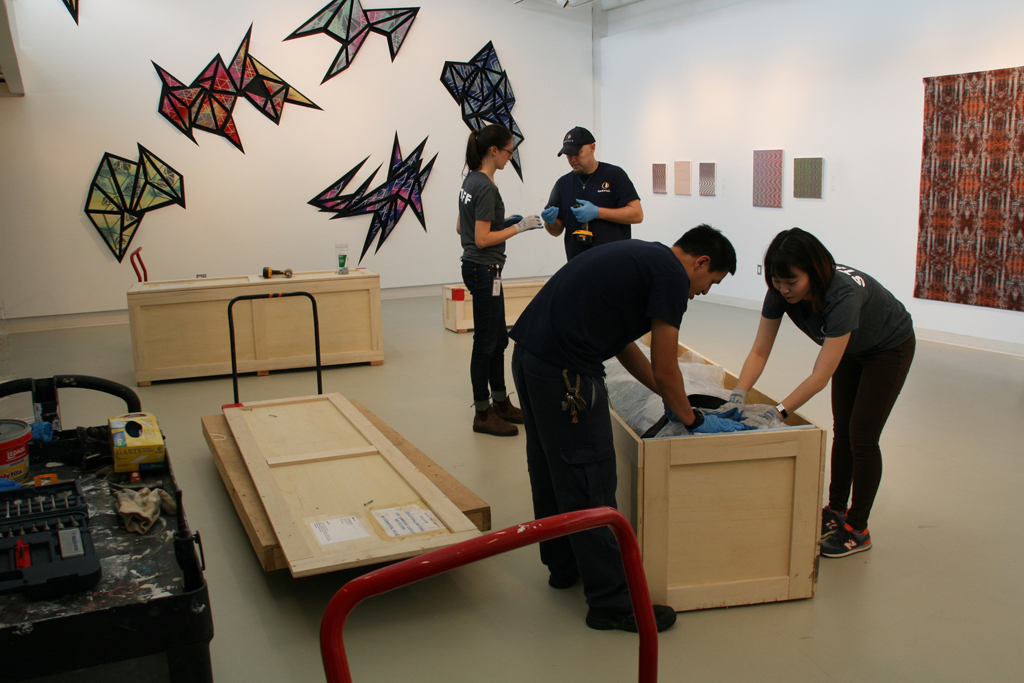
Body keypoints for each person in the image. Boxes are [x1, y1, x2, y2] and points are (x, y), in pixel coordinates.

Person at [509, 225, 739, 632]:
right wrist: (691, 417)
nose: (700, 293)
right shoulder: (670, 275)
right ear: (700, 262)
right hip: (567, 372)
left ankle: (563, 567)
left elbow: (623, 345)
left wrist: (673, 400)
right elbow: (667, 367)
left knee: (550, 467)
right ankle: (611, 603)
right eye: (709, 283)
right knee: (590, 479)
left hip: (531, 358)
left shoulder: (640, 257)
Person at [721, 228, 915, 558]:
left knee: (863, 437)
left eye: (791, 282)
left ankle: (858, 528)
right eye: (776, 281)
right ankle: (836, 510)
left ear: (815, 270)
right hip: (852, 349)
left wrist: (776, 412)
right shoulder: (779, 292)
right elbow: (759, 351)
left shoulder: (843, 297)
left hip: (888, 348)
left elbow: (821, 375)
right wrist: (739, 393)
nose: (783, 289)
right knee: (844, 431)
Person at [457, 124, 544, 437]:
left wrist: (505, 222)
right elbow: (481, 239)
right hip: (484, 269)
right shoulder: (487, 187)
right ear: (494, 151)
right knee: (485, 343)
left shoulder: (470, 180)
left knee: (499, 340)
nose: (510, 156)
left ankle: (500, 403)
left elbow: (461, 227)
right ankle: (483, 414)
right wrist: (520, 228)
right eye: (508, 151)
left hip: (481, 269)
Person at [540, 126, 643, 261]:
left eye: (578, 153)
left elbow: (637, 215)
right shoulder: (562, 184)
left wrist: (597, 212)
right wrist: (550, 222)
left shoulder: (614, 175)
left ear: (592, 148)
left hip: (615, 263)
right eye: (569, 155)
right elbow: (556, 231)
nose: (573, 160)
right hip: (578, 265)